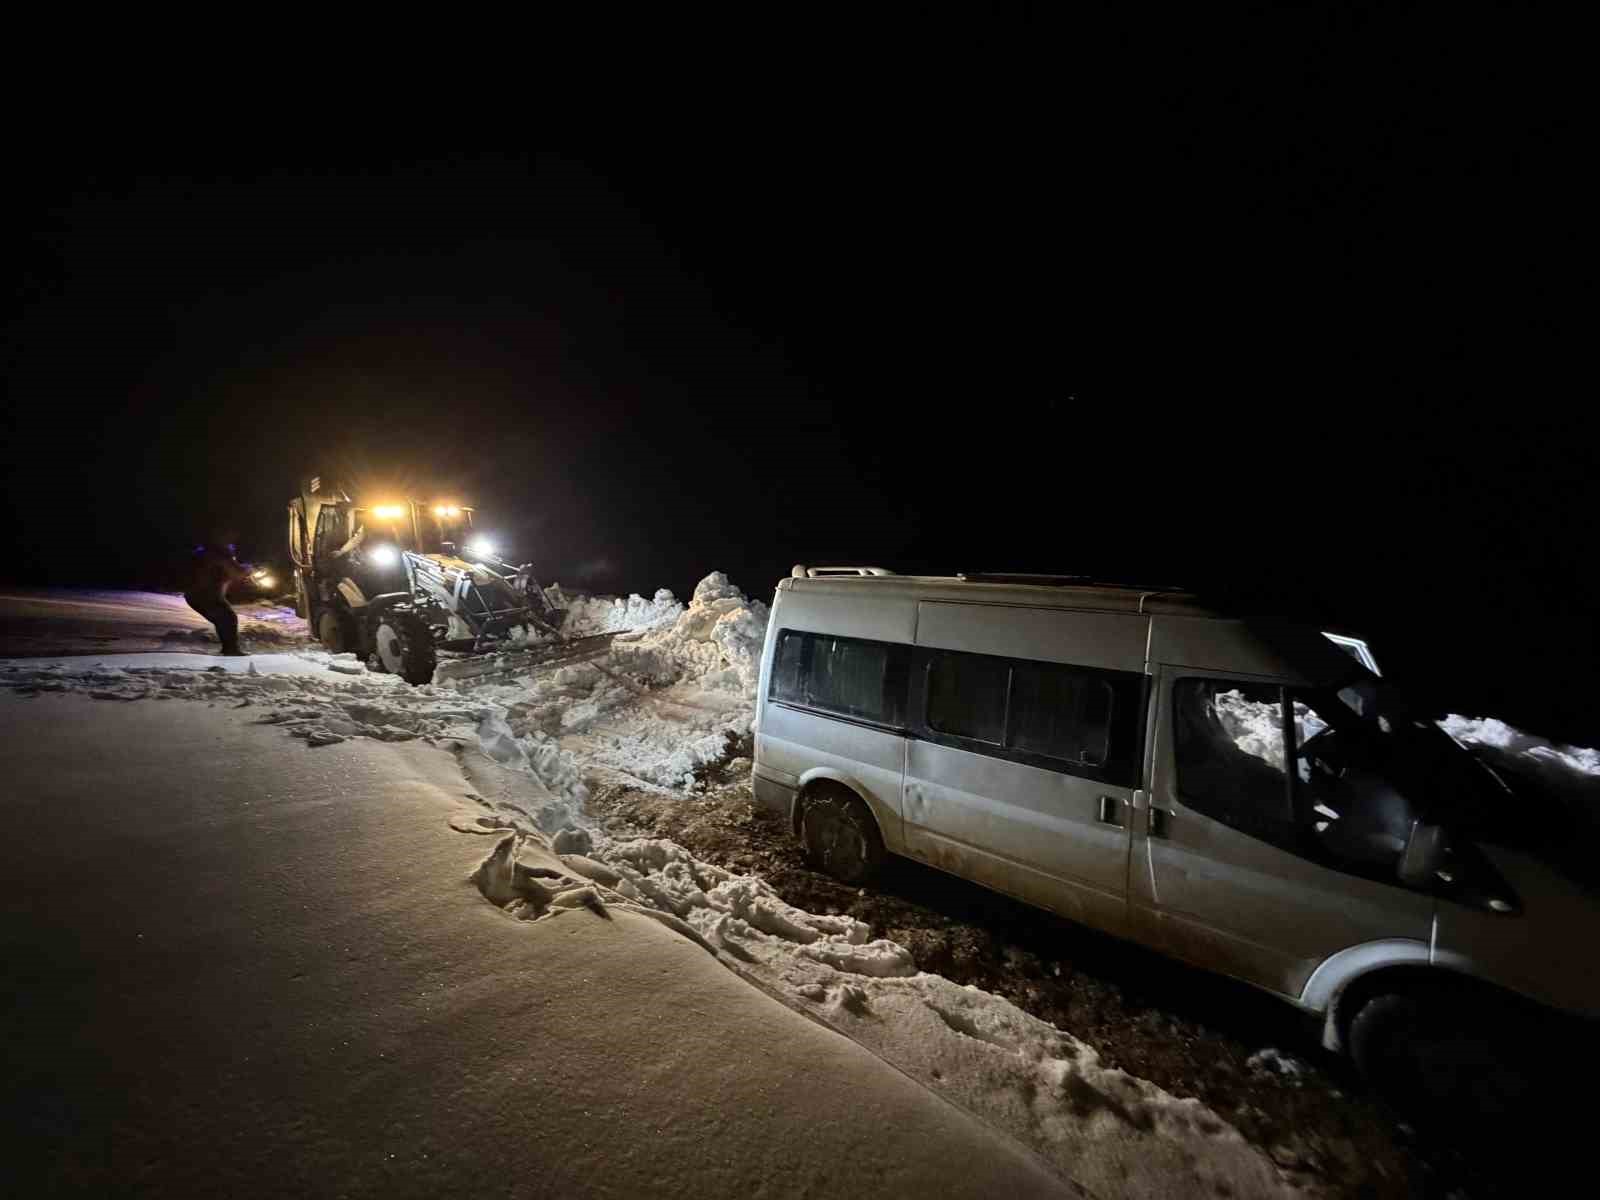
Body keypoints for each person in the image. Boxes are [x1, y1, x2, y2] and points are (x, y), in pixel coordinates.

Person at [183, 544, 251, 656]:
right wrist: (248, 568)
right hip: (206, 596)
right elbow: (238, 572)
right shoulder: (222, 556)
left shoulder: (209, 554)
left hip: (196, 596)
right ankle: (230, 649)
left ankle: (228, 648)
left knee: (223, 620)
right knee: (228, 618)